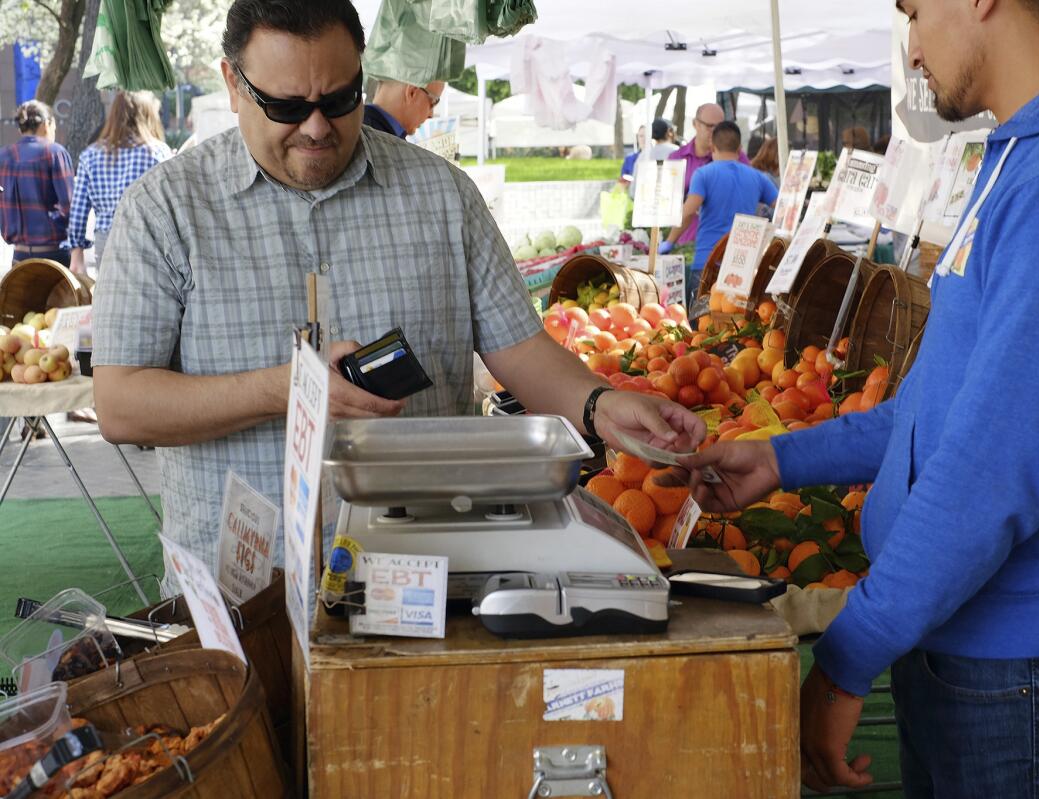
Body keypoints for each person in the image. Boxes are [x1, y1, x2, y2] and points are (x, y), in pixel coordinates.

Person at [671, 0, 1039, 794]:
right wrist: (779, 458)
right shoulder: (1031, 159)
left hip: (1028, 684)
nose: (911, 46)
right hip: (986, 667)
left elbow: (990, 472)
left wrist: (848, 660)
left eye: (914, 12)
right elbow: (935, 415)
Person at [90, 0, 707, 579]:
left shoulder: (442, 195)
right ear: (232, 83)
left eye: (339, 99)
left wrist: (601, 406)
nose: (315, 127)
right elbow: (121, 405)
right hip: (243, 586)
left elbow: (520, 352)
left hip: (427, 573)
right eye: (285, 106)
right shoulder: (165, 210)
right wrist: (285, 390)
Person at [659, 122, 777, 307]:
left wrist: (669, 241)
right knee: (734, 324)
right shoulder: (757, 177)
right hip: (743, 267)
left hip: (708, 263)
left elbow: (689, 211)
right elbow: (782, 207)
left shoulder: (704, 174)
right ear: (739, 149)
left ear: (712, 147)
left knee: (701, 327)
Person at [68, 91, 172, 274]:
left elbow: (78, 210)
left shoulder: (90, 155)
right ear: (148, 116)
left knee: (110, 299)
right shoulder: (158, 152)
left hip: (106, 240)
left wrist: (77, 255)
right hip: (148, 239)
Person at [0, 101, 73, 268]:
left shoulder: (3, 156)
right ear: (47, 123)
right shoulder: (55, 152)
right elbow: (70, 206)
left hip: (19, 255)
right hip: (54, 255)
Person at [667, 103, 750, 246]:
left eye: (719, 126)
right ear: (695, 124)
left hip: (728, 242)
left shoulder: (738, 157)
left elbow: (748, 193)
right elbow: (666, 200)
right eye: (709, 126)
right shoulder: (676, 158)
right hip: (686, 241)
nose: (715, 132)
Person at [362, 78, 444, 139]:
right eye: (433, 102)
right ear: (412, 92)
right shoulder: (379, 141)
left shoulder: (360, 130)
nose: (431, 115)